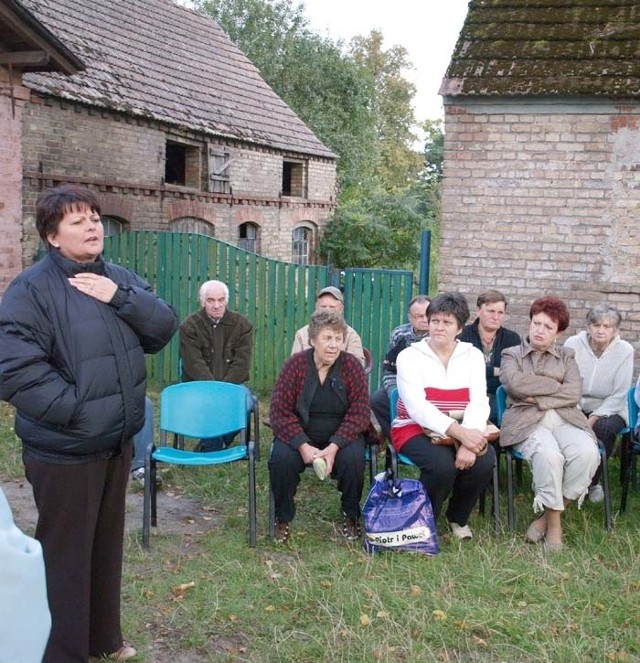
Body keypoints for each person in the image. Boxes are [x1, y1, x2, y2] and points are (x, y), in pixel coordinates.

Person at [0, 184, 179, 661]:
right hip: (65, 449)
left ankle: (103, 640)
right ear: (52, 237)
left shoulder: (117, 277)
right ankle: (63, 652)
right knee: (66, 556)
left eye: (95, 218)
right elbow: (14, 368)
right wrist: (77, 412)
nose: (93, 226)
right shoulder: (31, 290)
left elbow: (161, 329)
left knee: (104, 547)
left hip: (115, 442)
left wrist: (119, 296)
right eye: (78, 221)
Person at [391, 292, 495, 541]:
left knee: (484, 461)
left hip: (463, 425)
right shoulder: (409, 356)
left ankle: (457, 518)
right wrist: (463, 437)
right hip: (413, 427)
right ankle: (424, 520)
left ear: (459, 328)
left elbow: (479, 401)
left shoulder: (473, 356)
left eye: (447, 322)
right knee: (441, 467)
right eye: (435, 321)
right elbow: (417, 407)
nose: (439, 327)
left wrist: (469, 441)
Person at [500, 296, 600, 553]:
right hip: (526, 418)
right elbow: (514, 383)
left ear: (559, 332)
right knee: (548, 455)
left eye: (548, 327)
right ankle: (554, 525)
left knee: (587, 454)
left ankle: (544, 518)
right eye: (536, 323)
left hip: (566, 417)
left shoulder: (567, 355)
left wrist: (538, 394)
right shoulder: (512, 353)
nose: (539, 330)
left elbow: (573, 393)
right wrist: (555, 385)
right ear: (530, 323)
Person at [269, 310, 371, 543]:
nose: (334, 345)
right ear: (313, 340)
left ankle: (350, 514)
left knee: (354, 461)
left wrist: (334, 446)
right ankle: (282, 517)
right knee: (282, 460)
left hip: (343, 433)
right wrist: (303, 446)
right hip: (301, 433)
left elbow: (360, 412)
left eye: (338, 338)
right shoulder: (295, 365)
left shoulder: (352, 366)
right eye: (327, 338)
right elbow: (279, 411)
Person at [564, 304, 634, 503]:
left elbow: (620, 393)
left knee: (603, 430)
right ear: (588, 326)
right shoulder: (573, 343)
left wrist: (594, 417)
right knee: (565, 427)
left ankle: (591, 484)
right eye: (596, 325)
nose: (601, 330)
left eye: (607, 326)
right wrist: (576, 412)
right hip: (574, 402)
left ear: (616, 330)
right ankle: (566, 477)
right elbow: (566, 381)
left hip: (610, 407)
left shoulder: (625, 350)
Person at [179, 279, 254, 452]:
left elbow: (242, 363)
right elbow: (194, 364)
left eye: (221, 300)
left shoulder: (242, 325)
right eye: (210, 300)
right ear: (202, 301)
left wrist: (225, 389)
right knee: (208, 403)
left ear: (226, 301)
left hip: (233, 385)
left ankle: (215, 444)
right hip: (198, 386)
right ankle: (214, 447)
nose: (216, 305)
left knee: (246, 403)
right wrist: (214, 390)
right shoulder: (189, 326)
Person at [370, 295, 431, 441]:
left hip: (430, 389)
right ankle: (396, 439)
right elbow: (389, 371)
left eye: (428, 315)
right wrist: (395, 393)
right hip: (402, 386)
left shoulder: (439, 336)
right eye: (419, 316)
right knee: (377, 399)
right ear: (410, 318)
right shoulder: (399, 335)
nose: (425, 319)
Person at [459, 289, 521, 423]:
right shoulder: (463, 335)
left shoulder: (512, 339)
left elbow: (513, 373)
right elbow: (461, 368)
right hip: (466, 395)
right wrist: (495, 371)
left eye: (500, 312)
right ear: (478, 311)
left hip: (498, 395)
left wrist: (482, 371)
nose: (496, 317)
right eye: (491, 311)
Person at [291, 286, 366, 366]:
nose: (327, 310)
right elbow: (294, 364)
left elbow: (358, 364)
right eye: (323, 307)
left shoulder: (351, 335)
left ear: (341, 309)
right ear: (316, 308)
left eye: (332, 307)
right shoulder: (302, 334)